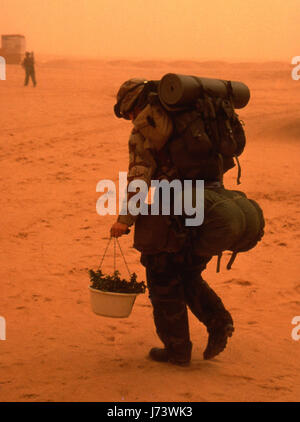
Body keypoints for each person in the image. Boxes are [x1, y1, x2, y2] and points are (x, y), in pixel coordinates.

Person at [110, 78, 234, 366]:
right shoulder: (191, 120)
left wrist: (124, 220)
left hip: (174, 209)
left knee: (162, 276)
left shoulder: (147, 127)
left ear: (132, 106)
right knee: (188, 271)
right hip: (208, 203)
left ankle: (177, 350)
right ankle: (219, 321)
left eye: (127, 113)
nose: (130, 119)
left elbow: (139, 178)